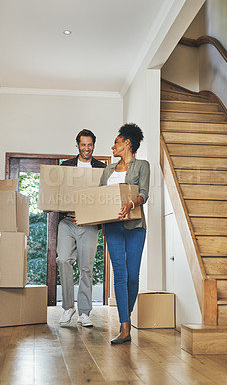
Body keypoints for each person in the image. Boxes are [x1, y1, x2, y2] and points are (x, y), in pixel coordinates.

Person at [99, 123, 150, 344]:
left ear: (127, 143)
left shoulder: (142, 166)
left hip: (135, 226)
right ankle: (125, 327)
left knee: (132, 275)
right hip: (112, 226)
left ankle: (126, 315)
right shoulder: (108, 170)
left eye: (116, 143)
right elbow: (99, 198)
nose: (113, 147)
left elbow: (144, 194)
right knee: (119, 274)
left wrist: (131, 203)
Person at [56, 129, 106, 326]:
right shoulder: (65, 167)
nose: (86, 148)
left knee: (86, 267)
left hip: (90, 224)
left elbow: (104, 199)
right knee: (63, 260)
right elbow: (56, 193)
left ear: (94, 145)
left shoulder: (102, 169)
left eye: (90, 144)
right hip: (68, 221)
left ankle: (84, 312)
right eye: (83, 144)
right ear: (77, 145)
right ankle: (68, 307)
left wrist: (90, 217)